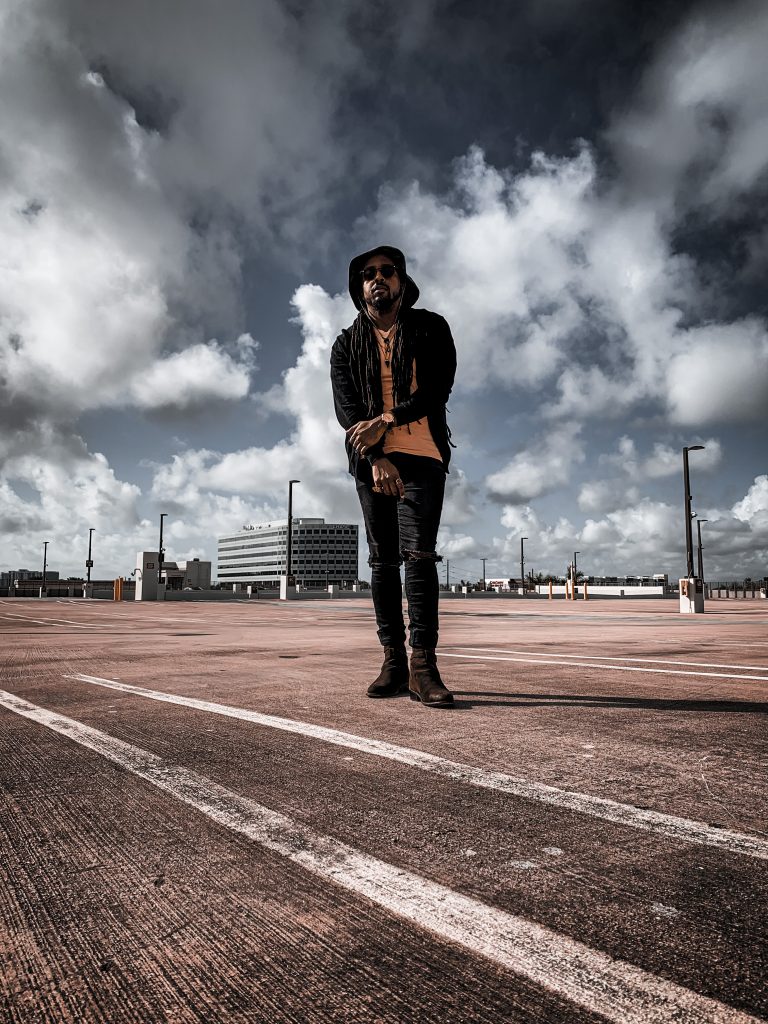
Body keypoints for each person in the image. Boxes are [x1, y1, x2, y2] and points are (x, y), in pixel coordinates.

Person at [330, 245, 457, 708]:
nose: (377, 278)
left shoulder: (429, 327)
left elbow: (437, 389)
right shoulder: (345, 344)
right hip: (371, 461)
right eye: (368, 273)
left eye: (387, 271)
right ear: (359, 286)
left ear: (402, 281)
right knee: (382, 562)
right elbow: (347, 411)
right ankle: (394, 663)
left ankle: (424, 667)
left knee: (419, 557)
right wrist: (376, 457)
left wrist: (387, 419)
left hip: (423, 454)